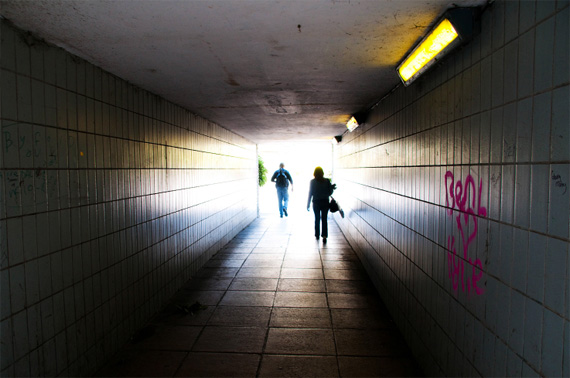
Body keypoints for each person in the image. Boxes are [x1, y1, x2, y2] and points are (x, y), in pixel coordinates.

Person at [307, 166, 335, 243]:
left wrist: (308, 204)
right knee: (324, 219)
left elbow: (310, 193)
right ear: (322, 173)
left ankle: (317, 235)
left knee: (317, 219)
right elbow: (330, 192)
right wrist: (331, 188)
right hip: (325, 202)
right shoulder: (326, 181)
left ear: (314, 173)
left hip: (316, 203)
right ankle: (324, 236)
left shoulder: (312, 182)